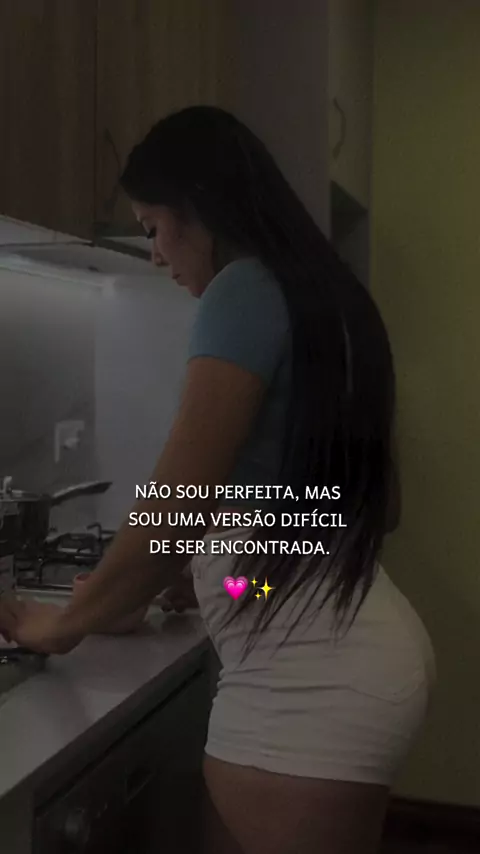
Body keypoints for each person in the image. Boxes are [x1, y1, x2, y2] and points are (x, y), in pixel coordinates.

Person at [0, 106, 435, 854]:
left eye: (152, 227)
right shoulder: (333, 298)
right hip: (357, 654)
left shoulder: (243, 290)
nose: (155, 254)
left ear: (197, 208)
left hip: (305, 685)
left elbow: (180, 501)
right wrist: (216, 579)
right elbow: (367, 512)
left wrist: (65, 622)